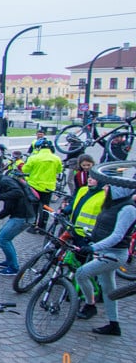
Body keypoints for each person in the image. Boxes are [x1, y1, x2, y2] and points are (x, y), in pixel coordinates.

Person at [74, 185, 135, 336]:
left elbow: (117, 236)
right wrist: (91, 238)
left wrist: (94, 247)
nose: (105, 188)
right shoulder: (112, 204)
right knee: (109, 290)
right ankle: (114, 325)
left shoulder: (128, 209)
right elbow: (103, 226)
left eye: (109, 186)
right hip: (106, 252)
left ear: (119, 190)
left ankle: (90, 305)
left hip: (114, 255)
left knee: (81, 273)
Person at [0, 163, 33, 276]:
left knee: (3, 239)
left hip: (23, 216)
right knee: (4, 238)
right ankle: (9, 261)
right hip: (20, 214)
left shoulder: (4, 182)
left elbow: (18, 193)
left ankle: (14, 267)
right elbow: (9, 206)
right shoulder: (3, 181)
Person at [21, 139, 62, 228]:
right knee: (45, 207)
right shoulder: (56, 158)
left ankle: (33, 225)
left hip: (35, 185)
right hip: (49, 187)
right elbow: (59, 170)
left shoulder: (34, 158)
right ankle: (42, 226)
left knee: (34, 206)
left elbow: (25, 170)